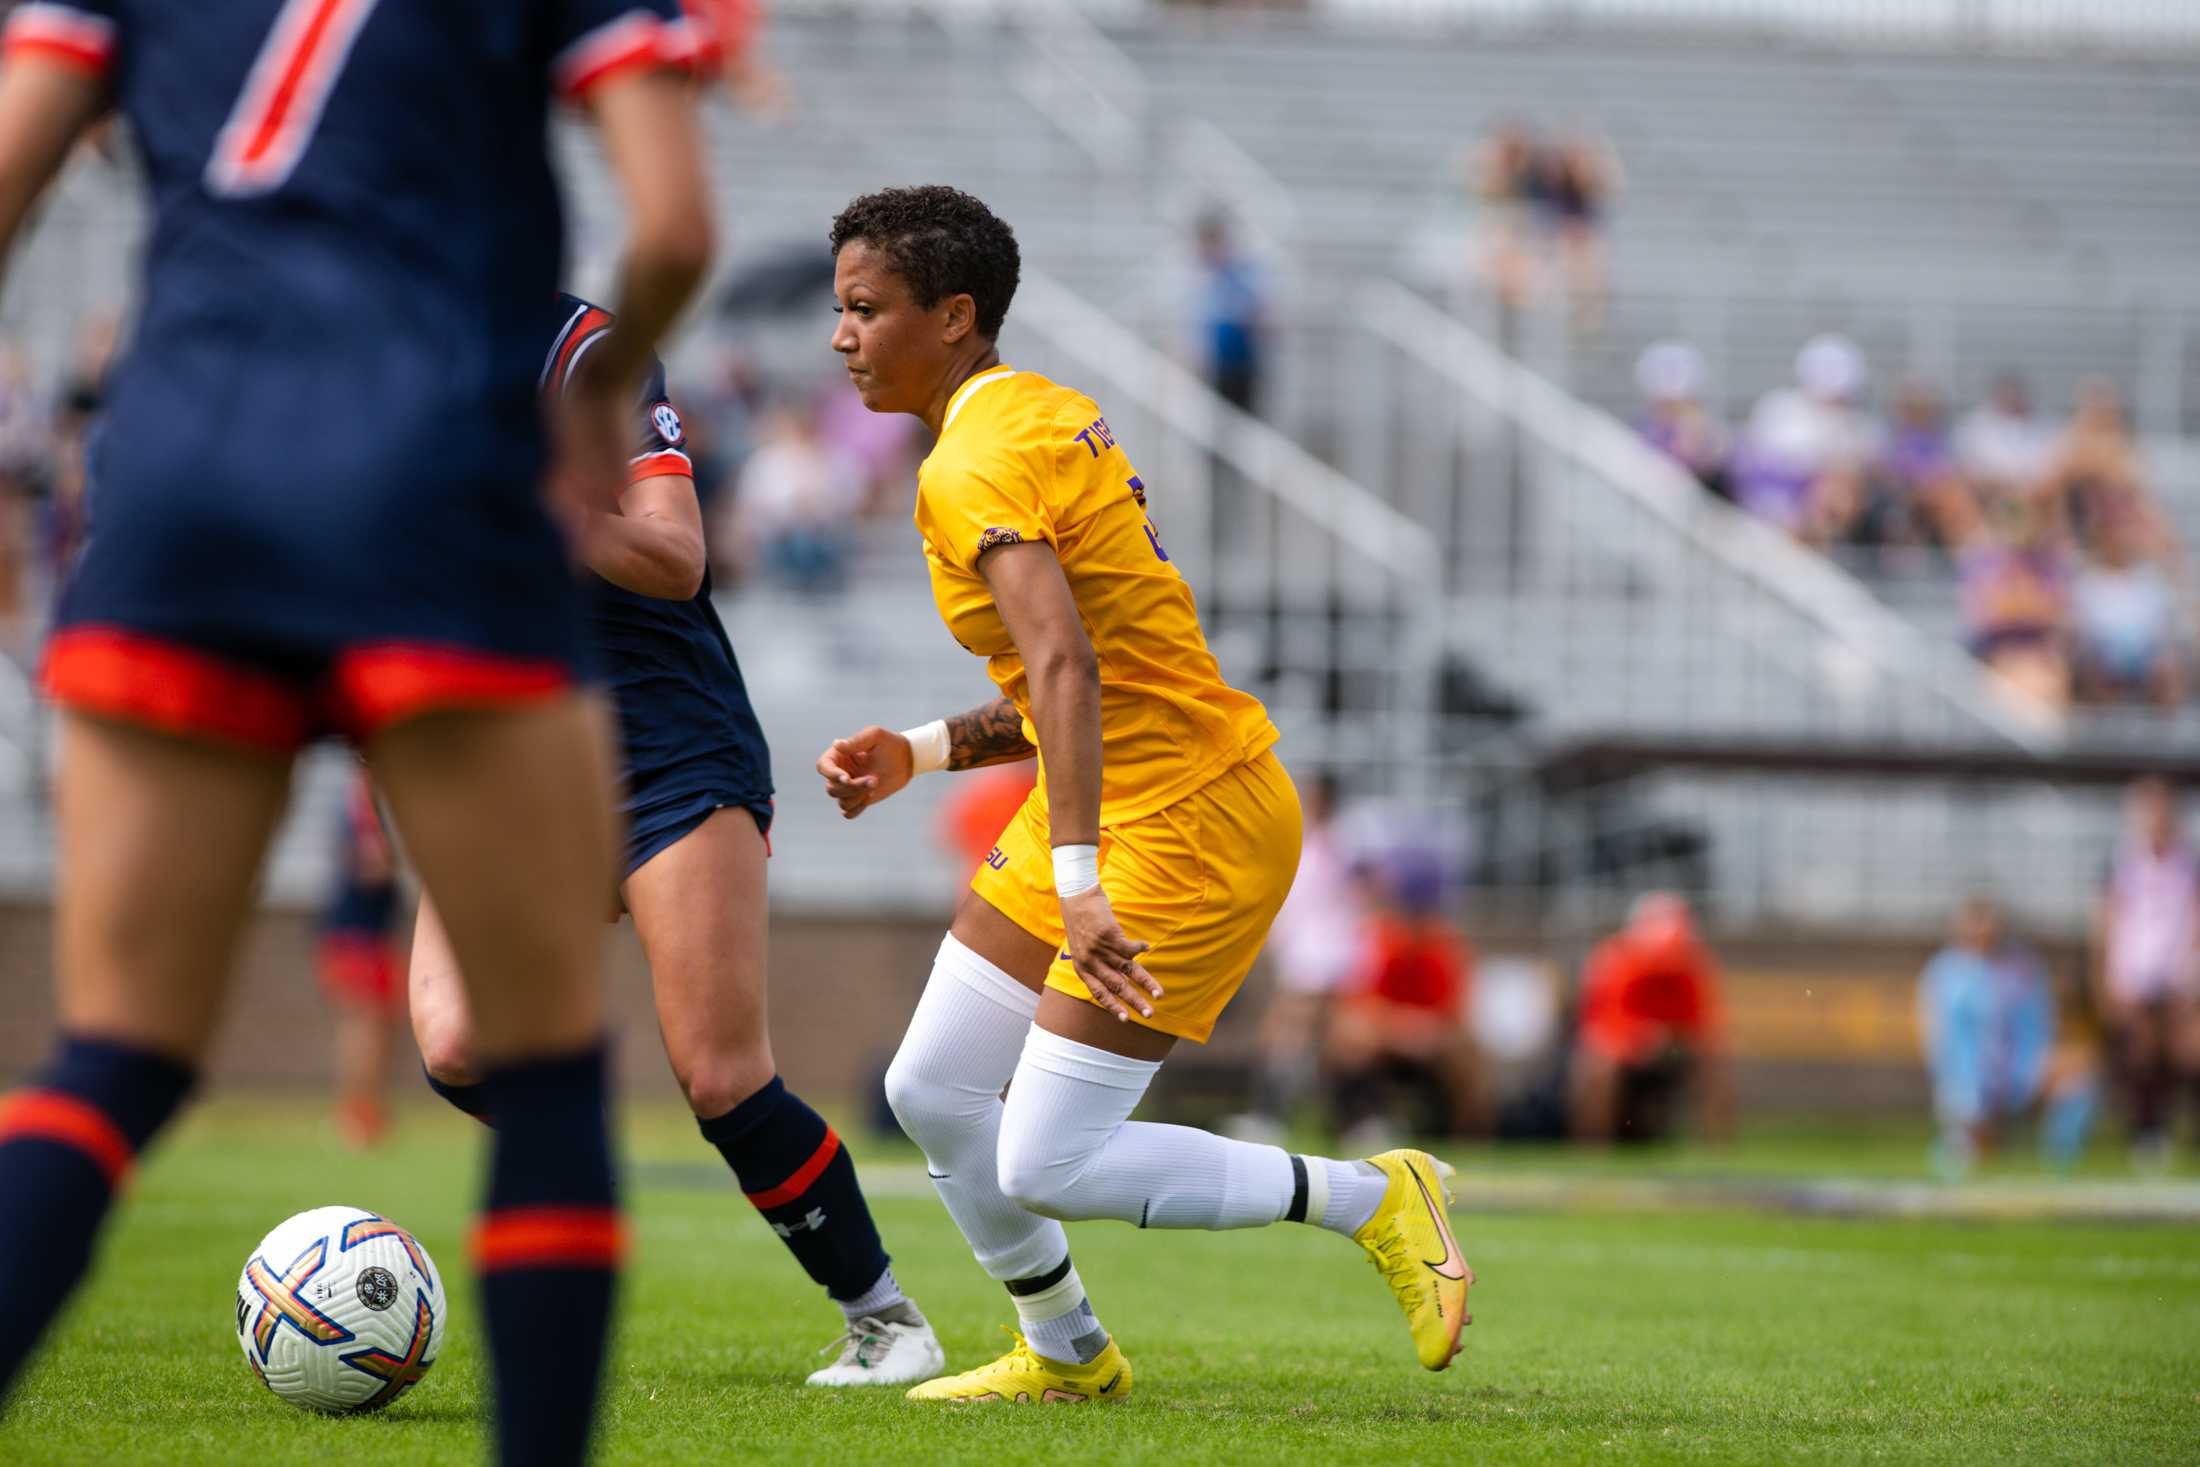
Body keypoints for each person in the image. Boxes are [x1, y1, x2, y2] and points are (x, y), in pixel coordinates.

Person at [0, 7, 715, 1464]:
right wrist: (597, 396)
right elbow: (678, 225)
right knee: (547, 1073)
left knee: (114, 1057)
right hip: (435, 488)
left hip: (182, 488)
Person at [817, 186, 1471, 1404]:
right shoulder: (1040, 416)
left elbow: (1064, 663)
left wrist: (1075, 886)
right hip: (1135, 784)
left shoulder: (973, 464)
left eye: (867, 309)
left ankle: (1376, 1195)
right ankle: (1066, 1351)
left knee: (1049, 1160)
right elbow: (1086, 671)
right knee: (931, 1087)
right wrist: (920, 749)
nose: (842, 337)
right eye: (840, 311)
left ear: (954, 318)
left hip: (1189, 814)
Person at [410, 294, 943, 1388]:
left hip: (665, 743)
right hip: (507, 757)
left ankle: (887, 1320)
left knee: (719, 1074)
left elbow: (675, 555)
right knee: (457, 1045)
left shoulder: (582, 351)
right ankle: (579, 1195)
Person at [1227, 771, 1366, 1144]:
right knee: (1299, 1039)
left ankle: (1277, 1117)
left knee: (1307, 1039)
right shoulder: (1304, 844)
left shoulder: (1338, 848)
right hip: (1302, 956)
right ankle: (1338, 1122)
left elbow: (1347, 905)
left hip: (1323, 958)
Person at [1325, 850, 1486, 1144]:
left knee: (1466, 1052)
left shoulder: (1443, 945)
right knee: (1352, 1037)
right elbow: (1356, 1008)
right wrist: (1401, 1029)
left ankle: (1463, 1136)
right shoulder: (1376, 939)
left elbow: (1456, 1017)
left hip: (1430, 1046)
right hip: (1386, 1041)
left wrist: (1425, 1033)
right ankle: (1361, 1126)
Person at [1916, 897, 2066, 1177]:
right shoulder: (1944, 972)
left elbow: (2038, 1024)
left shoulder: (2023, 968)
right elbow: (1939, 1039)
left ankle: (2056, 1157)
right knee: (1968, 1112)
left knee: (2075, 1080)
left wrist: (2034, 1069)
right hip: (1967, 1080)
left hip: (2016, 1072)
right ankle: (1968, 1141)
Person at [1569, 894, 1734, 1144]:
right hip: (1623, 1050)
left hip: (1672, 1050)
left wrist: (1670, 1038)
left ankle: (1718, 1146)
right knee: (1600, 1065)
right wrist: (1640, 1038)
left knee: (1714, 1059)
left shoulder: (1691, 967)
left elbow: (1701, 1026)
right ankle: (1594, 1147)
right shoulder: (1615, 962)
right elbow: (1602, 1025)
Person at [2094, 778, 2199, 1170]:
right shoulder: (2122, 863)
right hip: (2134, 976)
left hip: (2180, 976)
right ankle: (2148, 1135)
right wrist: (2108, 977)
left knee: (2188, 1054)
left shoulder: (2190, 865)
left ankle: (2182, 1132)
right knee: (2142, 1055)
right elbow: (2108, 924)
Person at [317, 771, 405, 1150]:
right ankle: (355, 1114)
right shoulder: (364, 800)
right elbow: (374, 867)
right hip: (356, 932)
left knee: (378, 1022)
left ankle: (366, 1109)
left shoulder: (366, 797)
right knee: (363, 1021)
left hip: (373, 931)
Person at [1188, 211, 1270, 416]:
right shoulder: (1196, 278)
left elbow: (1259, 313)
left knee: (1240, 414)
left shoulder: (1240, 274)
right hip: (1212, 362)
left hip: (1238, 361)